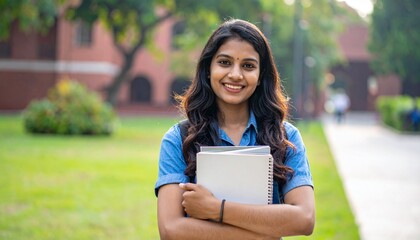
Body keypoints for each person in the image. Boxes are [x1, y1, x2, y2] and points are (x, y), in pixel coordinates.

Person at [155, 19, 315, 239]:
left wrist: (217, 209)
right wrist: (263, 233)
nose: (236, 75)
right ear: (208, 69)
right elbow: (171, 230)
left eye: (248, 66)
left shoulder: (285, 138)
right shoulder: (178, 139)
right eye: (224, 62)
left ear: (260, 77)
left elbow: (304, 219)